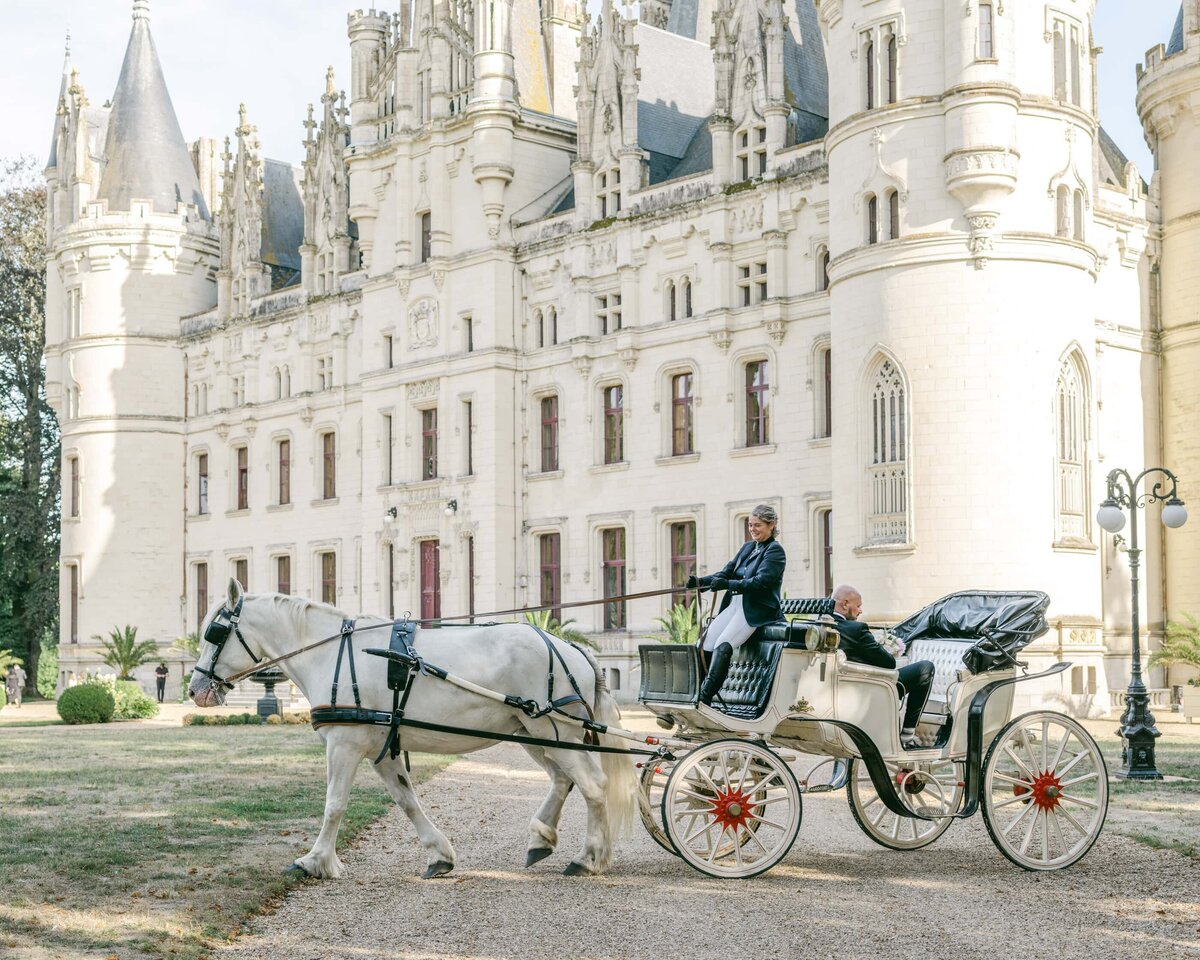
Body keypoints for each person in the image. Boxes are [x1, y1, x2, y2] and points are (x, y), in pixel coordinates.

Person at [685, 504, 786, 705]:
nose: (752, 529)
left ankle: (705, 700)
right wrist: (701, 582)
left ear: (771, 525)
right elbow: (726, 573)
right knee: (704, 644)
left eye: (757, 525)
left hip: (754, 611)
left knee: (723, 645)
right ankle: (694, 693)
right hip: (734, 607)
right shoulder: (747, 548)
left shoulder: (775, 552)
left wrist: (728, 584)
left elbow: (761, 582)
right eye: (750, 525)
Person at [829, 584, 934, 749]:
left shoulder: (819, 626)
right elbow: (888, 663)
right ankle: (907, 735)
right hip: (870, 692)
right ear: (845, 604)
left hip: (837, 692)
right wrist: (884, 649)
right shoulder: (856, 629)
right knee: (925, 668)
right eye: (858, 606)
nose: (861, 611)